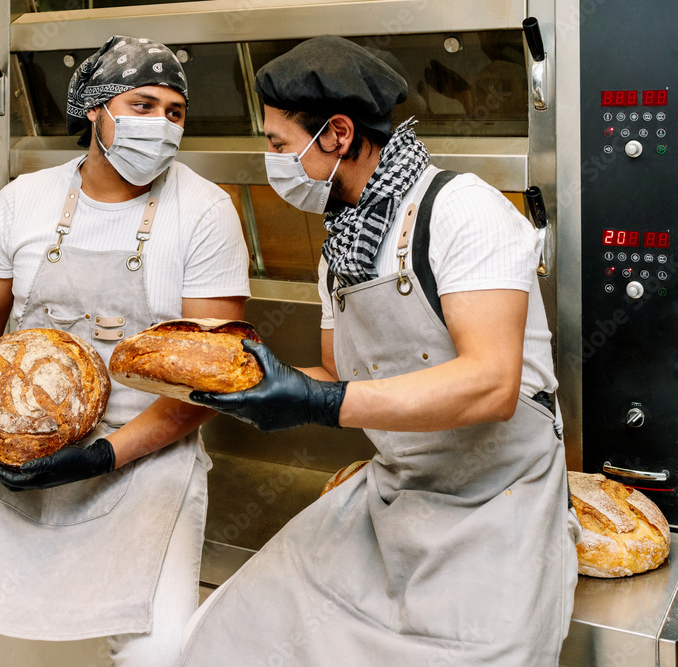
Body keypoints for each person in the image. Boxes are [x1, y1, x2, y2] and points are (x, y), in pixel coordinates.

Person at [0, 34, 250, 666]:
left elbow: (211, 379)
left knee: (159, 653)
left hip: (144, 461)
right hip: (14, 445)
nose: (162, 125)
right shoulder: (24, 200)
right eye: (143, 105)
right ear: (97, 110)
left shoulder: (204, 212)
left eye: (175, 112)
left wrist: (103, 456)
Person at [180, 35, 579, 666]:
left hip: (496, 506)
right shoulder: (342, 246)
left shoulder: (461, 211)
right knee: (235, 630)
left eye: (280, 144)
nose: (271, 161)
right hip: (394, 496)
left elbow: (492, 384)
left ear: (336, 133)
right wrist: (252, 387)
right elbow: (339, 373)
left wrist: (315, 400)